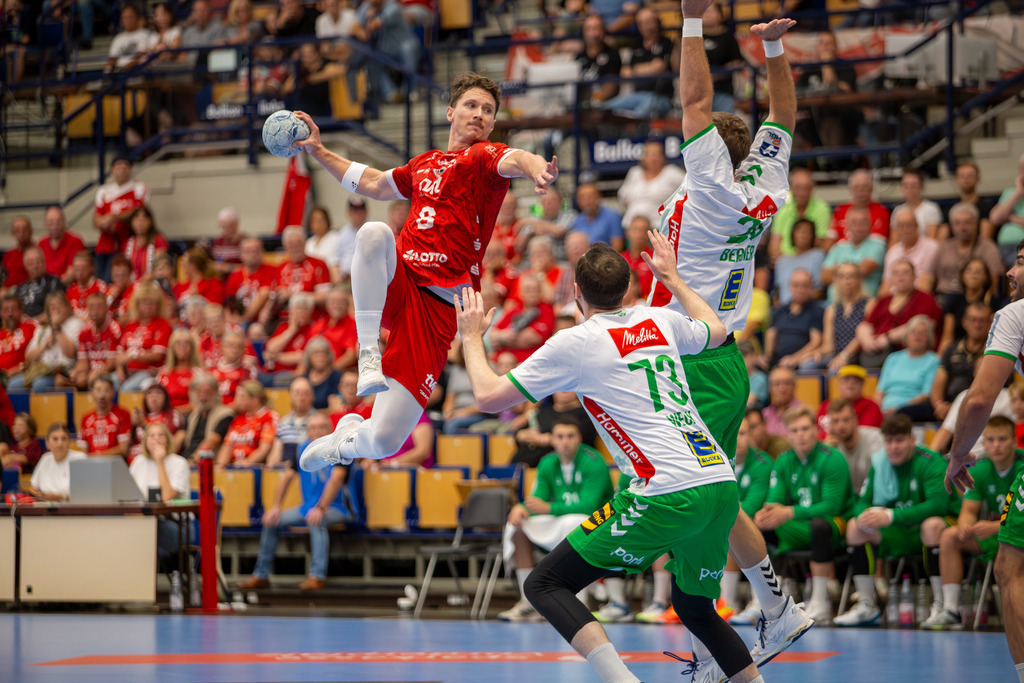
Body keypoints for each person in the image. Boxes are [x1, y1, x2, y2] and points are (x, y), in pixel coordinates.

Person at [453, 227, 764, 682]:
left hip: (665, 491)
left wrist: (471, 336)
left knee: (544, 584)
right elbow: (718, 329)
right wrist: (674, 279)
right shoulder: (658, 318)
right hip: (718, 483)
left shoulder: (576, 342)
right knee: (696, 607)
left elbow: (486, 396)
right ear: (629, 288)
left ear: (576, 293)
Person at [293, 72, 557, 471]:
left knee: (383, 441)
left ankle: (344, 442)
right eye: (471, 105)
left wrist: (537, 168)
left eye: (488, 110)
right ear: (450, 112)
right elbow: (374, 183)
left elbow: (518, 158)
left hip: (436, 313)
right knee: (375, 232)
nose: (479, 115)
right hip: (400, 282)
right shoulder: (425, 163)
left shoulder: (484, 159)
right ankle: (368, 354)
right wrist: (318, 150)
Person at [945, 238, 1024, 683]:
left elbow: (979, 399)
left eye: (1020, 262)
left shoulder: (1014, 315)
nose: (1010, 273)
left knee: (1011, 566)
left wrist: (958, 455)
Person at [833, 414, 952, 627]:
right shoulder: (880, 463)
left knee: (932, 525)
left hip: (924, 532)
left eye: (900, 440)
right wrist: (865, 516)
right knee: (854, 527)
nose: (893, 447)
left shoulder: (930, 461)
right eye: (889, 441)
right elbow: (862, 500)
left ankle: (942, 605)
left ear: (912, 440)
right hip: (896, 531)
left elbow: (937, 505)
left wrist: (891, 515)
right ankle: (867, 605)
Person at [498, 417, 614, 622]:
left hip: (597, 523)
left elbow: (589, 506)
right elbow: (538, 499)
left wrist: (549, 508)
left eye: (570, 436)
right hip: (561, 517)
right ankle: (528, 602)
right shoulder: (548, 462)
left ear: (579, 439)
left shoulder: (593, 461)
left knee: (575, 522)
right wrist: (521, 507)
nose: (565, 441)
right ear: (552, 439)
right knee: (517, 526)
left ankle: (580, 600)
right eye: (560, 437)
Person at [755, 406, 855, 626]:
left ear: (815, 431)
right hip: (799, 525)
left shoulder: (832, 459)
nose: (800, 435)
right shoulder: (783, 461)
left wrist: (789, 512)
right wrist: (767, 513)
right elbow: (774, 501)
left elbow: (831, 507)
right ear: (787, 435)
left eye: (805, 429)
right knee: (760, 525)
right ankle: (765, 602)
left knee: (819, 526)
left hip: (836, 524)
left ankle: (819, 601)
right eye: (794, 430)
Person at [925, 415, 1024, 629]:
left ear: (1015, 442)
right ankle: (951, 609)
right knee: (950, 536)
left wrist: (995, 527)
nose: (995, 445)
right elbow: (969, 511)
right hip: (996, 536)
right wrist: (965, 525)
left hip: (1019, 537)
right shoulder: (980, 469)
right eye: (990, 439)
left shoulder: (1022, 467)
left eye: (1002, 439)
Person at [237, 411, 350, 591]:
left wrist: (321, 508)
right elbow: (287, 478)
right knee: (272, 521)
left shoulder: (339, 448)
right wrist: (276, 507)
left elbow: (337, 479)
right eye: (313, 428)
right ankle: (261, 575)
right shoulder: (303, 449)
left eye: (322, 427)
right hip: (306, 508)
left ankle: (317, 576)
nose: (318, 431)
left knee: (315, 520)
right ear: (308, 431)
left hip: (335, 509)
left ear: (330, 429)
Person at [721, 414, 775, 620]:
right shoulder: (720, 460)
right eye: (733, 434)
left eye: (742, 433)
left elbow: (753, 504)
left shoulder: (762, 462)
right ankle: (726, 604)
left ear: (751, 436)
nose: (737, 439)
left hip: (756, 524)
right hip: (725, 522)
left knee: (734, 529)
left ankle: (752, 603)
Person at [855, 259, 942, 368]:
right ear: (890, 279)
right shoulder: (883, 300)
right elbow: (866, 324)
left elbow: (922, 326)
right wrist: (867, 340)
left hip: (908, 353)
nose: (901, 277)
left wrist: (888, 338)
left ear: (915, 276)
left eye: (905, 273)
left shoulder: (926, 299)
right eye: (896, 273)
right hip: (876, 352)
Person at [130, 422, 191, 558]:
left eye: (161, 435)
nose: (156, 439)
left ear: (168, 440)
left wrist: (160, 463)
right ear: (145, 441)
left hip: (176, 524)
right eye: (151, 436)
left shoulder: (179, 463)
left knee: (145, 529)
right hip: (144, 520)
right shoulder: (138, 462)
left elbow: (167, 497)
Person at [929, 301, 993, 422]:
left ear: (990, 323)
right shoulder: (951, 349)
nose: (977, 324)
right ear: (964, 322)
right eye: (973, 319)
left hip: (980, 407)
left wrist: (954, 408)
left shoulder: (994, 350)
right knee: (906, 413)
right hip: (947, 405)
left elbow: (985, 387)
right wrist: (939, 405)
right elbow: (938, 381)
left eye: (982, 320)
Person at [9, 292, 83, 391]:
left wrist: (57, 328)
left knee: (40, 385)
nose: (56, 310)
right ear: (47, 312)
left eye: (60, 305)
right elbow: (29, 357)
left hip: (64, 372)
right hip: (42, 370)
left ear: (67, 307)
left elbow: (71, 353)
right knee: (13, 385)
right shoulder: (42, 329)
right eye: (52, 307)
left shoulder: (75, 324)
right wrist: (44, 346)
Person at [934, 202, 1003, 307]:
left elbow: (994, 282)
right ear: (952, 226)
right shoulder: (943, 246)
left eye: (967, 222)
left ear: (976, 224)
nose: (962, 227)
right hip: (943, 297)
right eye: (957, 223)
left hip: (972, 300)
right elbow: (930, 276)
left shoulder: (988, 247)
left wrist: (988, 303)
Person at [93, 157, 148, 283]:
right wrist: (103, 223)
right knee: (101, 282)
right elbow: (96, 218)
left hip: (126, 243)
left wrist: (113, 217)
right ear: (112, 170)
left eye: (124, 167)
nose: (121, 171)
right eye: (118, 167)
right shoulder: (103, 191)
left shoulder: (138, 187)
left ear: (130, 169)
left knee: (118, 279)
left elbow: (138, 211)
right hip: (104, 244)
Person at [874, 315, 940, 418]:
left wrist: (897, 409)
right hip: (885, 409)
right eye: (913, 332)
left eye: (922, 333)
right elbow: (880, 391)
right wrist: (877, 410)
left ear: (929, 338)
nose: (916, 336)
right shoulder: (893, 358)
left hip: (911, 410)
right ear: (906, 335)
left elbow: (925, 395)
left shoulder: (933, 360)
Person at [617, 140, 686, 230]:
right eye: (649, 154)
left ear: (663, 157)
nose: (653, 158)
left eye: (656, 154)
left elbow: (689, 190)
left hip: (659, 228)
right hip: (631, 228)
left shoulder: (672, 172)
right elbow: (622, 196)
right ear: (643, 158)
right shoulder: (635, 172)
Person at [821, 206, 887, 300]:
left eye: (862, 222)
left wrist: (837, 270)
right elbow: (824, 277)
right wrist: (854, 269)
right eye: (854, 222)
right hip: (834, 305)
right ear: (847, 225)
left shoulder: (878, 245)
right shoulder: (838, 247)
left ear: (869, 224)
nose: (858, 227)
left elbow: (862, 270)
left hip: (863, 305)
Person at [116, 283, 174, 392]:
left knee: (127, 389)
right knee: (107, 383)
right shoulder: (131, 324)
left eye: (152, 303)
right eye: (144, 302)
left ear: (159, 305)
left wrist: (133, 356)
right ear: (137, 305)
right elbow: (120, 354)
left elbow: (158, 354)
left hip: (148, 372)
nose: (148, 306)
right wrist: (119, 369)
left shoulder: (163, 324)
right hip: (127, 371)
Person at [822, 397, 884, 493]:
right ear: (829, 424)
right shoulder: (829, 447)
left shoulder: (876, 439)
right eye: (835, 421)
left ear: (855, 419)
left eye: (846, 420)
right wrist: (826, 454)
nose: (841, 426)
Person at [764, 269, 822, 368]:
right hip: (778, 360)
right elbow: (771, 334)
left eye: (805, 285)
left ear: (812, 287)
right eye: (796, 285)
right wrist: (767, 357)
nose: (800, 289)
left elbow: (816, 341)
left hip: (799, 360)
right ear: (790, 287)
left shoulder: (816, 311)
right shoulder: (779, 311)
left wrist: (794, 358)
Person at [820, 264, 871, 372]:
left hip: (858, 354)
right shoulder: (831, 309)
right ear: (836, 281)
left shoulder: (869, 304)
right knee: (808, 364)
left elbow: (862, 336)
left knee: (834, 369)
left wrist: (844, 355)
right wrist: (813, 353)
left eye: (851, 276)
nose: (846, 280)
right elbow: (828, 346)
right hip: (836, 354)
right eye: (842, 277)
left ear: (859, 279)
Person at [881, 206, 939, 296]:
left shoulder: (932, 247)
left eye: (910, 224)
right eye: (901, 226)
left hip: (917, 300)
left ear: (917, 226)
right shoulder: (892, 251)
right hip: (893, 300)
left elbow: (926, 282)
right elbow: (886, 283)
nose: (906, 229)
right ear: (895, 229)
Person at [218, 380, 277, 468]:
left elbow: (264, 448)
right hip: (234, 466)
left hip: (255, 467)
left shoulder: (268, 417)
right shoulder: (238, 419)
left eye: (242, 397)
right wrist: (220, 465)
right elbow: (227, 445)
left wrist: (246, 464)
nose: (237, 401)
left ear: (255, 399)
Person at [180, 373, 236, 462]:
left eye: (207, 392)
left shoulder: (226, 414)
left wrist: (191, 461)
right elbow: (180, 436)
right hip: (186, 460)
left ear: (216, 393)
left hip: (206, 463)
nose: (203, 397)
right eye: (199, 392)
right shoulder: (193, 415)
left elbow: (212, 441)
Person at [71, 292, 122, 390]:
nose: (95, 311)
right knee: (76, 380)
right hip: (91, 373)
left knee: (98, 382)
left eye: (99, 307)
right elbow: (83, 362)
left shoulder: (114, 329)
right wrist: (78, 373)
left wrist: (95, 375)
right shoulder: (84, 331)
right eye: (91, 307)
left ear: (107, 308)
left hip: (110, 372)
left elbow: (112, 363)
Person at [826, 169, 890, 246]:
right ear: (850, 190)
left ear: (871, 189)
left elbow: (879, 242)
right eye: (856, 187)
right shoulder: (840, 210)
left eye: (864, 187)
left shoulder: (881, 210)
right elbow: (829, 240)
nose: (860, 191)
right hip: (840, 253)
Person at [225, 238, 277, 329]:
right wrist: (230, 320)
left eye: (256, 250)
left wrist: (243, 319)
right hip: (238, 319)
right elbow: (228, 304)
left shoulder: (273, 270)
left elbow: (267, 295)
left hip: (261, 322)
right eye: (248, 251)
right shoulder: (235, 275)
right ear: (241, 254)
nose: (252, 254)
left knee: (264, 292)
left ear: (262, 252)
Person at [26, 424, 87, 501]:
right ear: (47, 443)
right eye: (55, 439)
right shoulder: (45, 459)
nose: (60, 443)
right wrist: (38, 494)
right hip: (47, 509)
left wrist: (61, 496)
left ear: (69, 441)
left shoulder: (80, 459)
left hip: (73, 510)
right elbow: (33, 487)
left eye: (64, 439)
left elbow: (87, 492)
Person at [817, 363, 882, 434]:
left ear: (862, 384)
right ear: (839, 384)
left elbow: (864, 436)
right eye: (846, 379)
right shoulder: (826, 405)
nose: (851, 383)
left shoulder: (871, 407)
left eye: (856, 381)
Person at [128, 381, 184, 462]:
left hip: (159, 460)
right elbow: (128, 444)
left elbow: (166, 437)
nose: (154, 396)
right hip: (135, 460)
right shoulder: (139, 416)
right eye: (149, 393)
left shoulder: (172, 415)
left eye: (159, 393)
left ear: (166, 398)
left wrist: (143, 424)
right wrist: (132, 426)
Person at [79, 374, 132, 457]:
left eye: (106, 390)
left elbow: (123, 449)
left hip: (114, 466)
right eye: (98, 390)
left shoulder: (122, 414)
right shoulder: (86, 419)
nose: (102, 395)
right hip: (91, 466)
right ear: (92, 392)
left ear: (113, 392)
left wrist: (96, 457)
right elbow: (82, 451)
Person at [774, 219, 824, 306]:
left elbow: (819, 290)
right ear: (793, 234)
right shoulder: (781, 260)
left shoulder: (818, 255)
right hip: (784, 311)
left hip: (808, 309)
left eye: (807, 232)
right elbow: (777, 291)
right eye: (799, 231)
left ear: (813, 236)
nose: (803, 235)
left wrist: (798, 307)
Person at [306, 288, 357, 370]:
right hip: (315, 371)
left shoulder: (353, 325)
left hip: (339, 372)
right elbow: (307, 352)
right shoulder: (317, 324)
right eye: (332, 302)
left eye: (341, 302)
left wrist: (329, 372)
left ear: (347, 305)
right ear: (326, 305)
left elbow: (350, 356)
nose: (336, 305)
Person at [156, 330, 203, 411]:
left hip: (187, 416)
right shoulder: (163, 373)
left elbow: (198, 404)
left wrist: (173, 413)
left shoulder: (197, 374)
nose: (182, 347)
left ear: (192, 348)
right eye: (178, 343)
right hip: (165, 415)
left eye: (186, 343)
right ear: (172, 347)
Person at [38, 205, 85, 284]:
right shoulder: (41, 243)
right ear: (45, 224)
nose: (55, 226)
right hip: (45, 287)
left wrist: (56, 286)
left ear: (64, 221)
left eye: (58, 222)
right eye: (51, 223)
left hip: (66, 287)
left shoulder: (75, 241)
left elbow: (72, 273)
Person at [892, 170, 943, 240]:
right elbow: (894, 240)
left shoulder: (931, 209)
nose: (909, 189)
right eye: (905, 185)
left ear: (921, 187)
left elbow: (932, 239)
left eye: (913, 185)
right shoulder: (897, 211)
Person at [16, 246, 65, 320]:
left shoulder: (54, 282)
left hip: (44, 326)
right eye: (31, 263)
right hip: (22, 327)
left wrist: (33, 321)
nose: (35, 266)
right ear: (25, 265)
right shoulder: (21, 288)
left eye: (38, 262)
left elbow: (56, 310)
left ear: (44, 262)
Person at [571, 184, 624, 251]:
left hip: (605, 258)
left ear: (599, 197)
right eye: (583, 198)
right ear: (578, 201)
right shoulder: (577, 220)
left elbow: (618, 246)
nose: (587, 201)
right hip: (583, 259)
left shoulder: (612, 216)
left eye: (591, 196)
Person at [762, 367, 803, 438]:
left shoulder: (803, 412)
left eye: (787, 383)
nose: (782, 388)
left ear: (794, 386)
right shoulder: (765, 414)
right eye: (777, 384)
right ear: (770, 388)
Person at [65, 252, 107, 321]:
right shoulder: (70, 291)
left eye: (83, 268)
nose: (80, 272)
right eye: (77, 268)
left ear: (92, 268)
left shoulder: (101, 287)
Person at [209, 207, 246, 278]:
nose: (226, 230)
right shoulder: (217, 242)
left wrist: (229, 268)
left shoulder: (245, 242)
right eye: (223, 226)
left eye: (229, 226)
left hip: (239, 278)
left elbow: (252, 266)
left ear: (236, 224)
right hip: (220, 279)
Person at [2, 215, 35, 289]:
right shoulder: (8, 255)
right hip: (7, 295)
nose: (21, 233)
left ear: (31, 231)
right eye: (17, 230)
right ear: (12, 233)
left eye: (25, 229)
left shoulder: (37, 254)